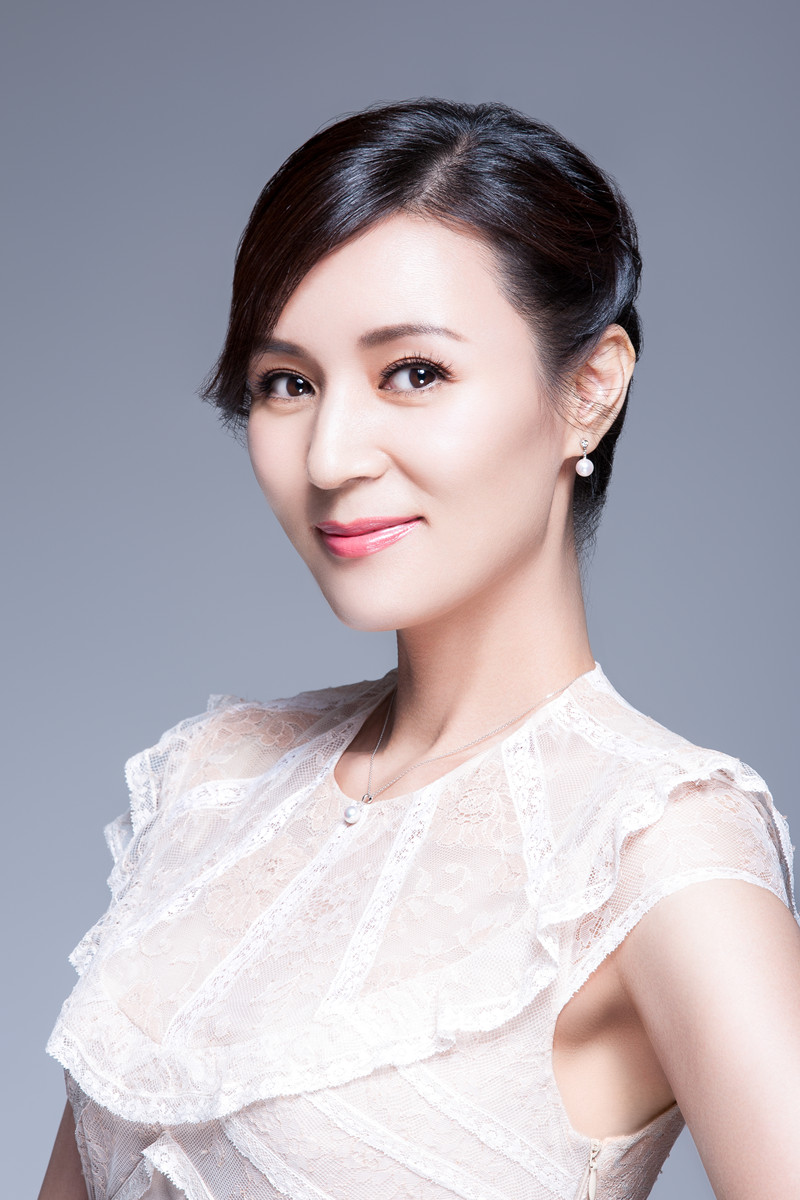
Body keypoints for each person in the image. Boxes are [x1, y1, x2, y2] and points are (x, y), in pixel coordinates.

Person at [40, 98, 800, 1200]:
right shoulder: (214, 784)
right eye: (287, 384)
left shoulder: (649, 843)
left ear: (589, 389)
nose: (331, 456)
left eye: (414, 373)